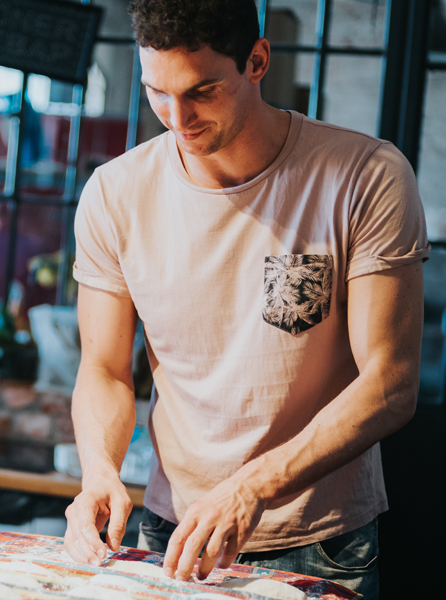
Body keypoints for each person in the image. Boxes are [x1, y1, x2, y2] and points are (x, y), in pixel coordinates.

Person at [62, 1, 427, 598]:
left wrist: (251, 487)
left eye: (201, 91)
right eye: (157, 91)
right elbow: (103, 369)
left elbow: (390, 382)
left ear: (256, 61)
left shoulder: (365, 175)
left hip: (321, 540)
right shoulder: (114, 194)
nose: (177, 117)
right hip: (170, 528)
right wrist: (99, 470)